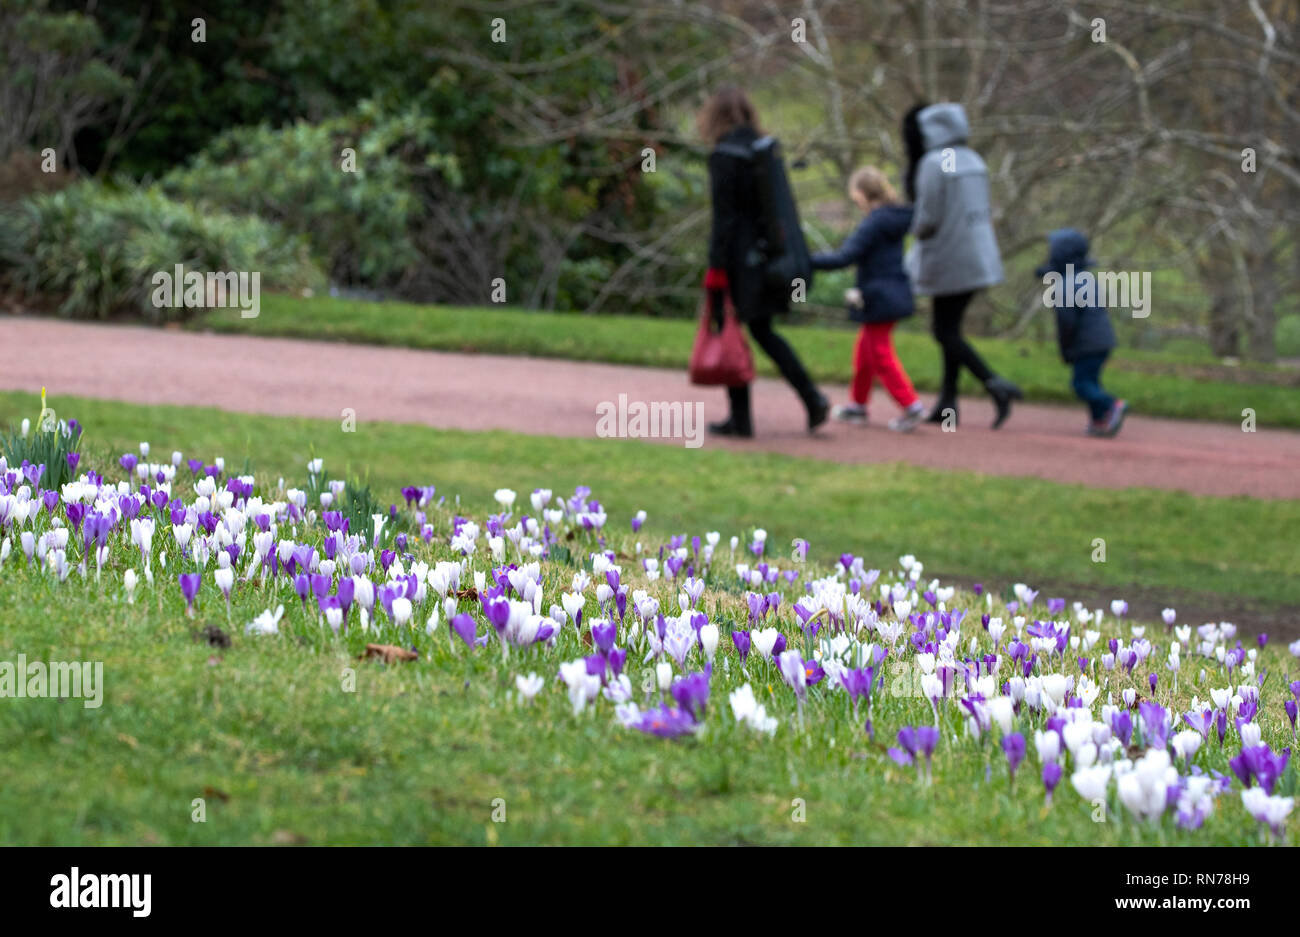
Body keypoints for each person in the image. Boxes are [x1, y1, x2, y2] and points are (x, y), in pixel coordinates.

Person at [699, 86, 828, 438]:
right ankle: (808, 397)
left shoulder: (725, 156)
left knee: (737, 332)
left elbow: (724, 220)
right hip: (768, 257)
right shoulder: (763, 151)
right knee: (761, 331)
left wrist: (715, 265)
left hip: (740, 261)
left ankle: (745, 417)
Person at [904, 102, 1022, 429]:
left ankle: (993, 382)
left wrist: (909, 230)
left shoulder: (933, 163)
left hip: (949, 258)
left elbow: (926, 219)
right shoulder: (973, 160)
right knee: (950, 329)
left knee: (944, 331)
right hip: (979, 258)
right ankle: (948, 403)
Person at [811, 166, 925, 432]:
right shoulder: (895, 217)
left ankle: (911, 407)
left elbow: (844, 257)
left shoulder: (874, 222)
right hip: (892, 292)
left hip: (879, 297)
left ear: (861, 195)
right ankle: (857, 406)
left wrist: (805, 262)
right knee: (865, 352)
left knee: (880, 354)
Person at [1035, 228, 1128, 437]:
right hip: (1102, 341)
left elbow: (1067, 322)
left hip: (1086, 344)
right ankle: (1099, 421)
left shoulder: (1064, 286)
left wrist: (1066, 349)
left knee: (1081, 384)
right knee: (1091, 381)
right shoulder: (1083, 277)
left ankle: (1112, 405)